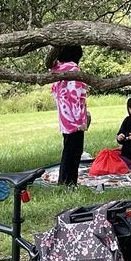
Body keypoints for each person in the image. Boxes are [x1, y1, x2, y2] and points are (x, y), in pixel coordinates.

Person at [50, 45, 88, 186]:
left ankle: (64, 180)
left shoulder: (56, 70)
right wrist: (80, 121)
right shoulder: (74, 71)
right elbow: (76, 96)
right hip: (74, 118)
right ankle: (69, 182)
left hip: (64, 117)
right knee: (74, 152)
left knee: (67, 150)